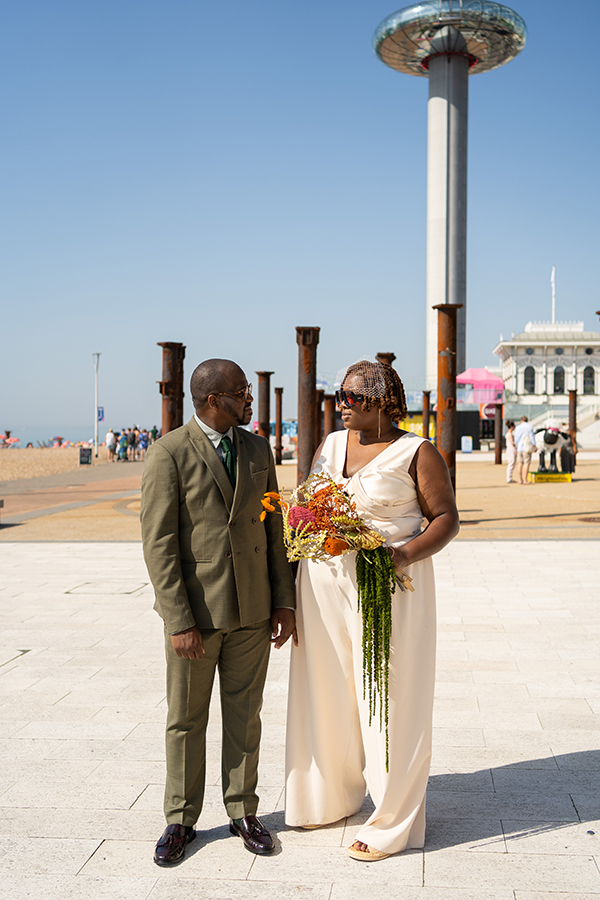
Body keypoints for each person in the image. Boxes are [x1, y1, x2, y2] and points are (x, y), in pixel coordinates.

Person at [285, 359, 459, 861]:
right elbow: (307, 503)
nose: (341, 404)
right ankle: (328, 798)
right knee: (324, 690)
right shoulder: (330, 444)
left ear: (382, 402)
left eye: (352, 397)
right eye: (339, 395)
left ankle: (391, 820)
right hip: (321, 586)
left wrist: (402, 555)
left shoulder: (418, 451)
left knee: (389, 697)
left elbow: (446, 519)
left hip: (388, 589)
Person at [141, 358, 296, 867]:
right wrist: (178, 620)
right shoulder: (168, 453)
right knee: (186, 719)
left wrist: (284, 599)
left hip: (253, 609)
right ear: (213, 400)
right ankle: (180, 819)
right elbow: (159, 544)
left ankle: (243, 811)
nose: (249, 399)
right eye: (241, 392)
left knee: (245, 715)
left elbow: (273, 527)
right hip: (198, 617)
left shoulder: (257, 448)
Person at [513, 415, 536, 484]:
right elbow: (531, 437)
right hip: (526, 447)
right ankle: (525, 480)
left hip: (519, 447)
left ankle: (520, 479)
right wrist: (534, 445)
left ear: (521, 420)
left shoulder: (518, 427)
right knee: (526, 463)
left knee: (520, 463)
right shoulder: (529, 426)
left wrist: (516, 446)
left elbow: (516, 438)